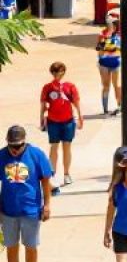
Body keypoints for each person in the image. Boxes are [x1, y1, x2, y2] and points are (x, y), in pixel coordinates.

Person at [0, 125, 52, 262]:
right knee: (11, 247)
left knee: (31, 246)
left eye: (18, 146)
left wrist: (47, 205)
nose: (15, 149)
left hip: (31, 211)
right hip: (8, 211)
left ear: (25, 142)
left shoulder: (36, 155)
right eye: (11, 146)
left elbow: (46, 180)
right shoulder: (1, 156)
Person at [39, 62, 82, 191]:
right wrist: (41, 118)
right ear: (52, 73)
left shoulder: (70, 86)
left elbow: (76, 102)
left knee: (67, 147)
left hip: (68, 121)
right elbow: (43, 105)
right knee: (54, 147)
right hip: (53, 121)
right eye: (55, 72)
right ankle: (52, 173)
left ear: (64, 72)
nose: (58, 74)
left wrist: (80, 117)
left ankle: (67, 173)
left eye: (60, 71)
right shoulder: (47, 87)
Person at [95, 11, 122, 117]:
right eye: (110, 23)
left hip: (116, 63)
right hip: (104, 64)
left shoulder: (119, 35)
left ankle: (119, 106)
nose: (113, 25)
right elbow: (99, 51)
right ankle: (105, 109)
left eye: (114, 23)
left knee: (117, 85)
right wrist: (109, 34)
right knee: (106, 86)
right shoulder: (102, 34)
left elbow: (120, 49)